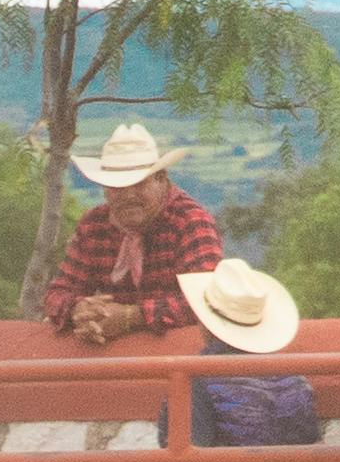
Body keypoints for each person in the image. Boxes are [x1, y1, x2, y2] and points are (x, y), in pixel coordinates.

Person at [36, 123, 236, 349]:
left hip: (180, 355)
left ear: (161, 179)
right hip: (116, 361)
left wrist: (132, 316)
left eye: (139, 184)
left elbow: (207, 302)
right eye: (117, 187)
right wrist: (81, 310)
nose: (129, 195)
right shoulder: (94, 225)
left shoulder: (190, 222)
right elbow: (57, 293)